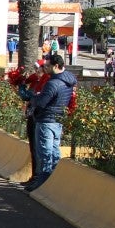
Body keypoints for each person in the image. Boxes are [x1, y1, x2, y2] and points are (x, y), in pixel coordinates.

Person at [17, 53, 76, 191]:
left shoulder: (53, 83)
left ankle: (42, 182)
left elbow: (42, 102)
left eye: (48, 66)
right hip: (58, 120)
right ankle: (50, 181)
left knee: (44, 153)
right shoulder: (69, 81)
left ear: (56, 66)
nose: (45, 68)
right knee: (54, 152)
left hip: (46, 120)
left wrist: (33, 97)